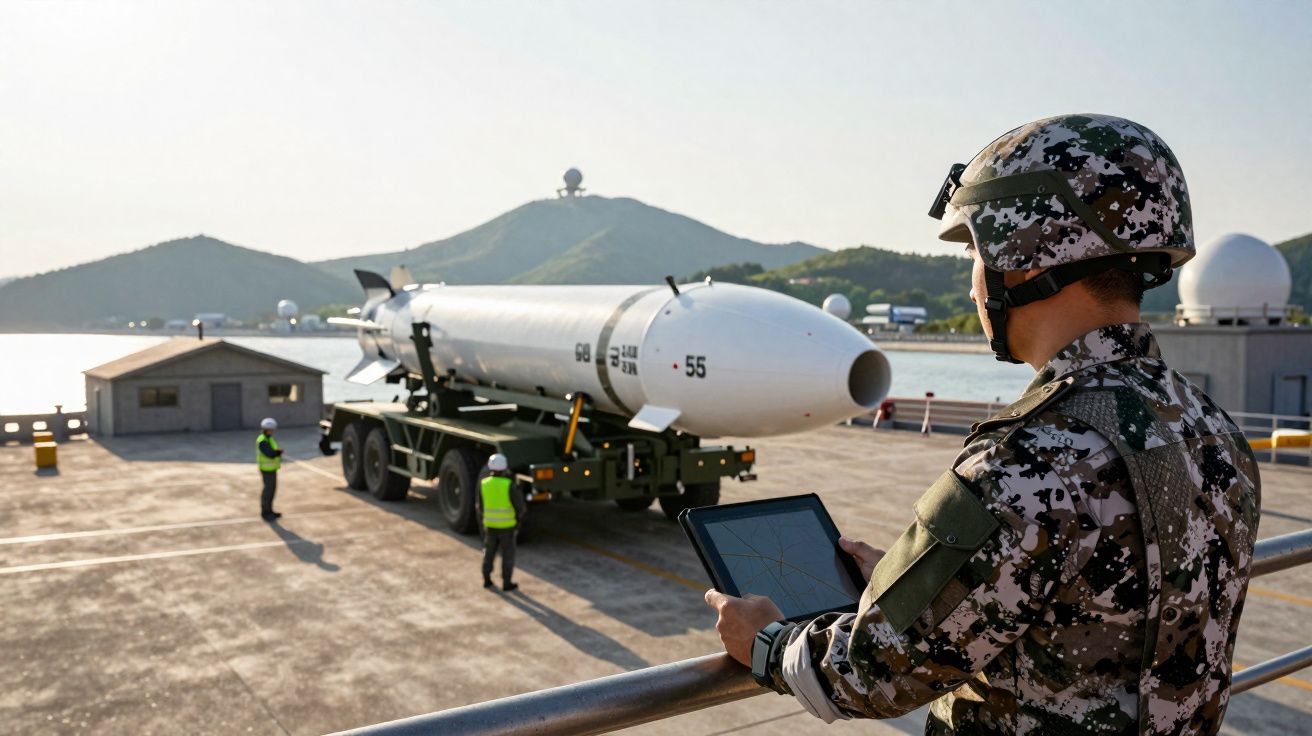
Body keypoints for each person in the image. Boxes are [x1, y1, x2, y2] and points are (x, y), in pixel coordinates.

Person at [704, 114, 1261, 735]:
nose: (973, 287)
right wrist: (921, 583)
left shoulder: (1031, 459)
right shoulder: (1213, 430)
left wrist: (766, 642)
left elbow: (872, 674)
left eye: (975, 252)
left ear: (1025, 256)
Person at [477, 453, 526, 592]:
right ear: (504, 468)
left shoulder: (484, 484)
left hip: (490, 526)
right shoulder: (508, 485)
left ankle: (486, 580)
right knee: (507, 555)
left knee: (489, 553)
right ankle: (506, 583)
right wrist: (518, 520)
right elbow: (520, 507)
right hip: (507, 527)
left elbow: (480, 506)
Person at [257, 417, 284, 520]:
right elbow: (269, 453)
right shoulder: (262, 440)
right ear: (266, 429)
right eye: (271, 429)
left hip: (271, 469)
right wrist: (277, 452)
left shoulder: (268, 438)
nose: (272, 431)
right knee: (268, 491)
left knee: (271, 490)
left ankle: (270, 510)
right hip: (267, 470)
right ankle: (265, 512)